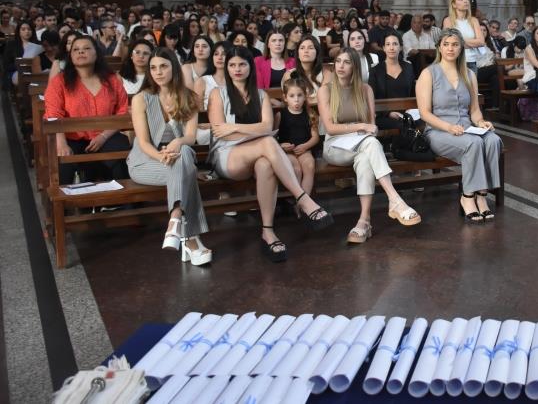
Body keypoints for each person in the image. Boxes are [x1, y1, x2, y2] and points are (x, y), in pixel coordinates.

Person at [208, 45, 334, 262]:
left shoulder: (261, 95)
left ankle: (268, 231)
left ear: (250, 67)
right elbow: (222, 134)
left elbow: (267, 127)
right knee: (266, 142)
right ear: (226, 67)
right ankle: (303, 199)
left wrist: (234, 127)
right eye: (232, 65)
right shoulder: (217, 94)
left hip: (257, 156)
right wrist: (248, 131)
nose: (237, 69)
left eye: (242, 64)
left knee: (266, 163)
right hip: (227, 157)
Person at [321, 47, 421, 241]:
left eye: (347, 62)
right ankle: (395, 199)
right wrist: (360, 126)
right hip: (335, 147)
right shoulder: (326, 90)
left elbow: (372, 127)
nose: (341, 66)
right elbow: (331, 128)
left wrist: (366, 129)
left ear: (355, 67)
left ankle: (364, 222)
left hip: (361, 144)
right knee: (371, 144)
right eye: (338, 61)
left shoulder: (365, 90)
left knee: (367, 155)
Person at [127, 47, 211, 265]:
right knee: (186, 171)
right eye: (153, 67)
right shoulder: (141, 99)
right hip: (146, 162)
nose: (158, 72)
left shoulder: (189, 97)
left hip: (178, 157)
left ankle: (175, 219)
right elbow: (143, 143)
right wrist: (162, 157)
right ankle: (190, 239)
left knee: (183, 152)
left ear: (174, 67)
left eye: (163, 66)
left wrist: (177, 141)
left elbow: (191, 137)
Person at [417, 29, 502, 221]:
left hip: (466, 128)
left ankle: (482, 195)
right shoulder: (429, 73)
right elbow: (425, 113)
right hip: (438, 131)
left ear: (461, 47)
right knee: (473, 144)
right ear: (439, 47)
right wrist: (448, 127)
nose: (450, 48)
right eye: (446, 44)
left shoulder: (469, 74)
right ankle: (467, 196)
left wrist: (481, 122)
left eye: (455, 44)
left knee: (493, 140)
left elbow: (474, 110)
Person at [44, 35, 131, 184]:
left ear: (96, 53)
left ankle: (122, 202)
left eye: (86, 48)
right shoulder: (59, 81)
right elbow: (53, 114)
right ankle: (69, 204)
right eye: (76, 50)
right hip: (72, 138)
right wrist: (61, 143)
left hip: (106, 135)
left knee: (120, 151)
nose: (81, 52)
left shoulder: (112, 80)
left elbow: (122, 112)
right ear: (70, 56)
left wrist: (103, 136)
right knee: (64, 161)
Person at [276, 77, 320, 199]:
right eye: (292, 96)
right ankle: (297, 200)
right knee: (296, 169)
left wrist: (305, 146)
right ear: (285, 97)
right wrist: (282, 146)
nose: (296, 100)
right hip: (288, 152)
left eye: (300, 95)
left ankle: (303, 203)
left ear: (305, 96)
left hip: (305, 150)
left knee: (309, 165)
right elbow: (272, 138)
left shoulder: (310, 114)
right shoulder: (280, 115)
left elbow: (315, 138)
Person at [369, 32, 416, 130]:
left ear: (401, 47)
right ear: (384, 48)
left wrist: (410, 111)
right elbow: (371, 98)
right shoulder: (376, 70)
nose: (391, 48)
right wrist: (389, 113)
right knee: (403, 126)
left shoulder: (408, 67)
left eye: (395, 44)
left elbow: (413, 94)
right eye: (388, 44)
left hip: (407, 113)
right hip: (383, 115)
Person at [442, 0, 485, 71]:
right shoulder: (448, 20)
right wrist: (472, 42)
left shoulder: (474, 20)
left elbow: (481, 42)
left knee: (472, 84)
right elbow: (449, 42)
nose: (465, 1)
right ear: (454, 4)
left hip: (471, 61)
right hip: (455, 61)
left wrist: (460, 42)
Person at [282, 35, 324, 99]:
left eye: (310, 48)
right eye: (302, 48)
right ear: (298, 54)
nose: (306, 51)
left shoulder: (325, 74)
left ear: (317, 53)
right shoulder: (290, 75)